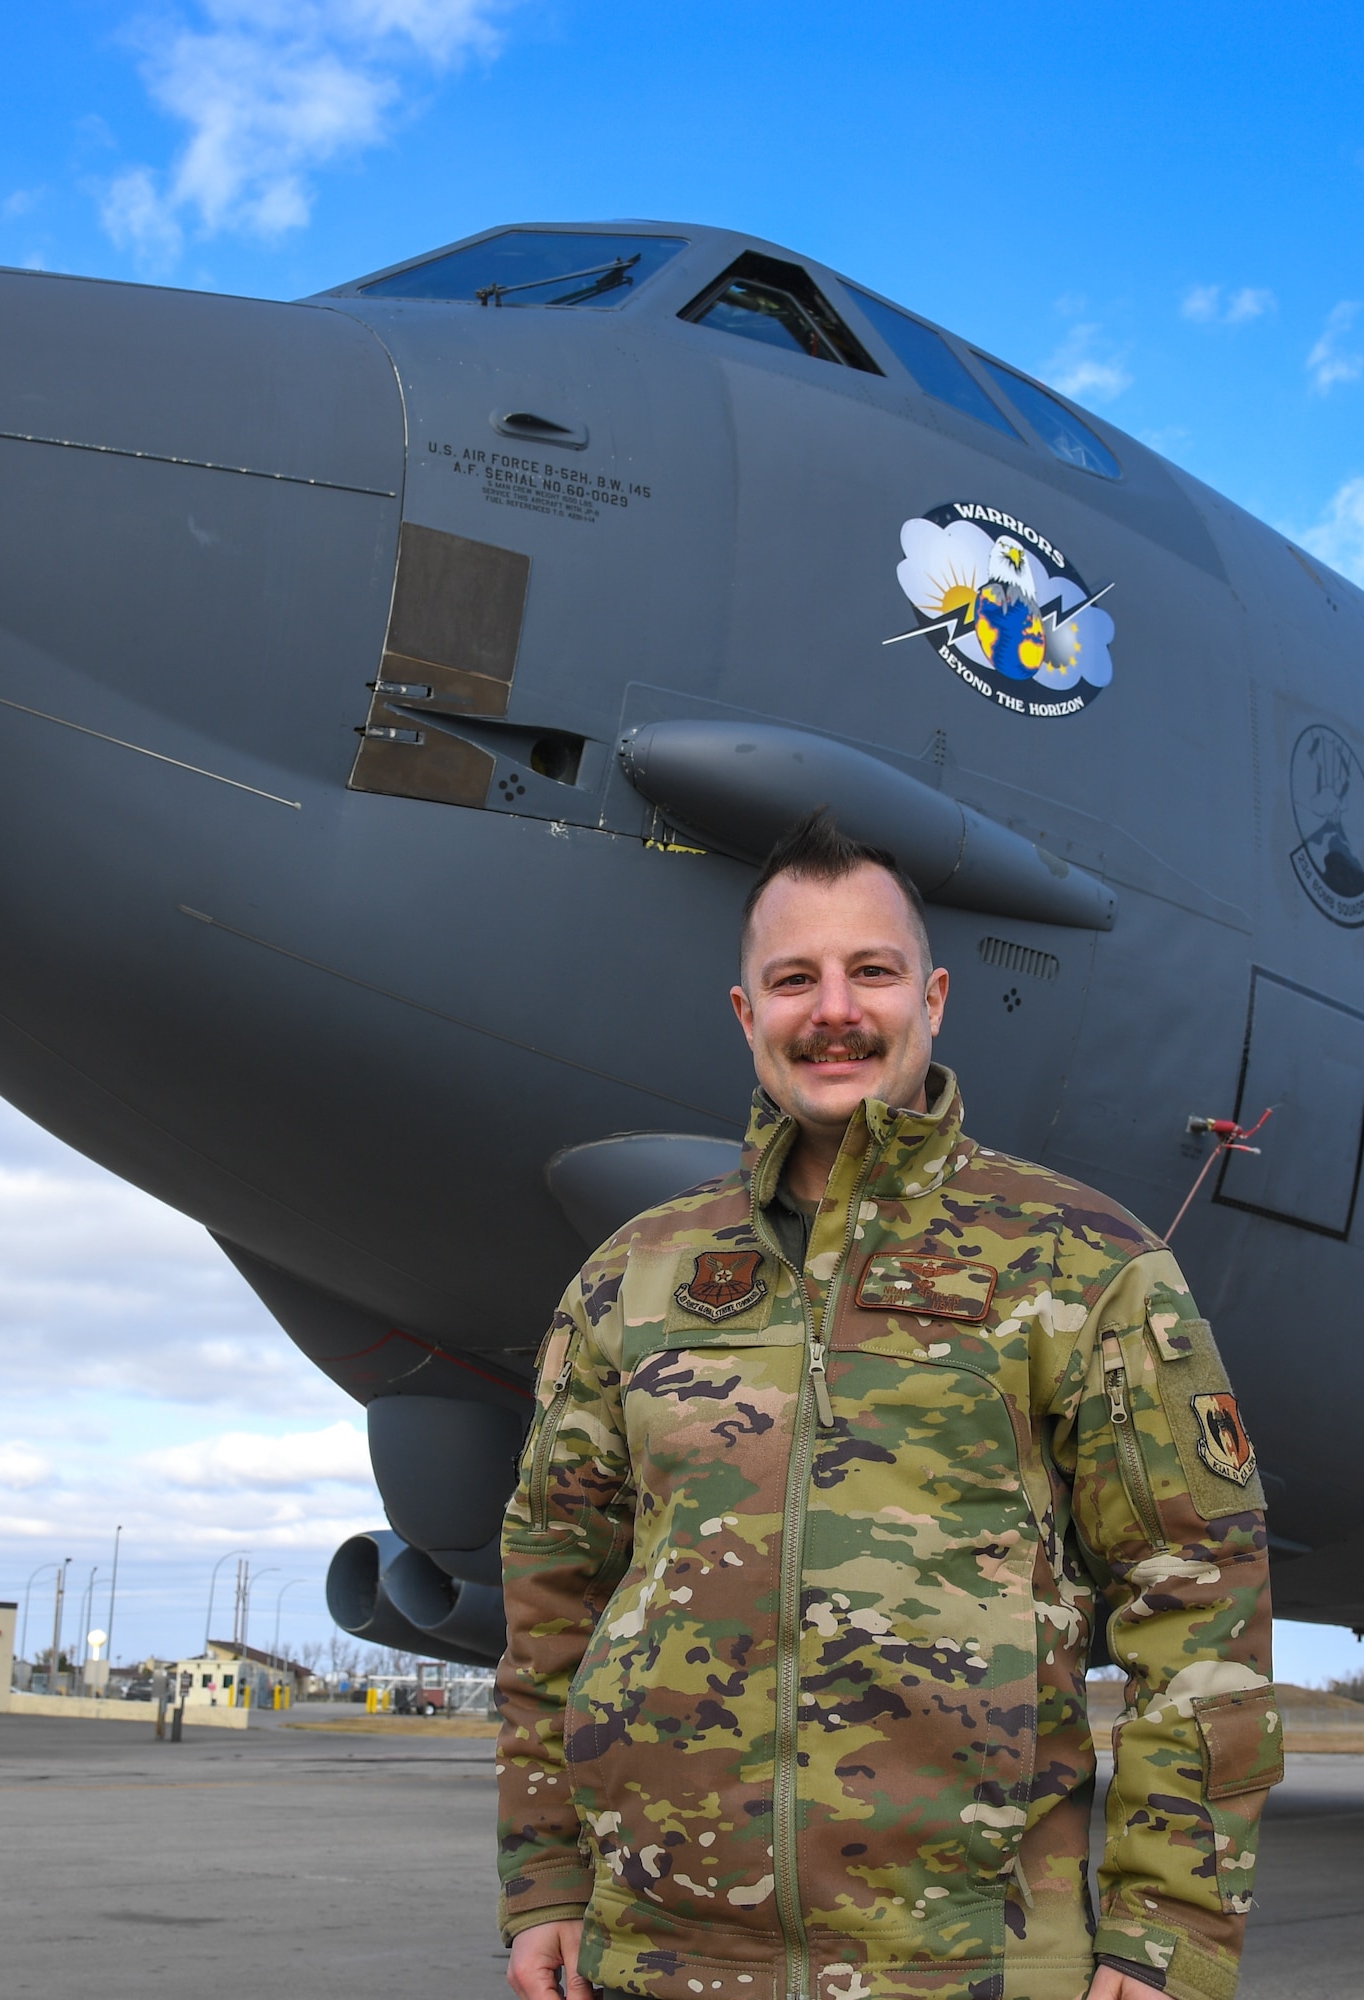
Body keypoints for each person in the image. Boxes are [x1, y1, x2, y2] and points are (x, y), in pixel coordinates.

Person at [497, 811, 1277, 2000]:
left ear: (934, 997)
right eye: (792, 977)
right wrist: (544, 1877)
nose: (833, 1009)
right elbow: (552, 1588)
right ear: (744, 1011)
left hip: (979, 1958)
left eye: (871, 970)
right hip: (662, 1958)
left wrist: (1164, 1927)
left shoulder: (1081, 1263)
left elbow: (1200, 1606)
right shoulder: (632, 1275)